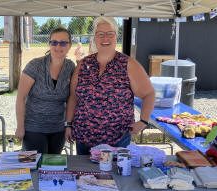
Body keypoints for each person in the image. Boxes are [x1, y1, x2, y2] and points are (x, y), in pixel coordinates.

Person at [65, 17, 155, 155]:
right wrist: (69, 124)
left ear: (116, 36)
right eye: (100, 34)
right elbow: (73, 97)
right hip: (84, 138)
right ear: (95, 37)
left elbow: (148, 93)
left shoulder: (128, 64)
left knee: (114, 176)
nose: (105, 38)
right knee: (84, 175)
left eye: (110, 33)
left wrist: (143, 121)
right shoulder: (83, 64)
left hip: (116, 140)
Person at [15, 27, 76, 154]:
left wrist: (68, 125)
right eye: (54, 42)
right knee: (37, 165)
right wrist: (20, 126)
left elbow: (72, 98)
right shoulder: (35, 65)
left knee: (53, 166)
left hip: (58, 128)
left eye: (63, 43)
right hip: (34, 127)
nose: (58, 46)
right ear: (49, 44)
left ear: (70, 45)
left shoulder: (70, 67)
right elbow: (20, 98)